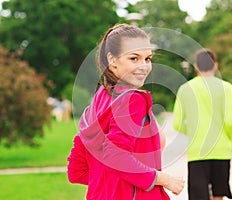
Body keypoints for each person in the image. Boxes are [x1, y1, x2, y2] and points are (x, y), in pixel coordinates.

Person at [67, 24, 184, 200]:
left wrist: (111, 183)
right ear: (112, 59)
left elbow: (77, 171)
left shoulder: (99, 100)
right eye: (134, 58)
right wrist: (163, 179)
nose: (144, 66)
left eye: (147, 59)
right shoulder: (133, 100)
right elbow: (115, 155)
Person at [173, 49, 232, 200]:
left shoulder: (185, 89)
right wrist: (230, 139)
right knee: (218, 195)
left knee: (198, 196)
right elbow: (230, 121)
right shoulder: (227, 88)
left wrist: (193, 133)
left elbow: (177, 123)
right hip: (222, 150)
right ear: (215, 65)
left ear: (196, 66)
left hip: (197, 152)